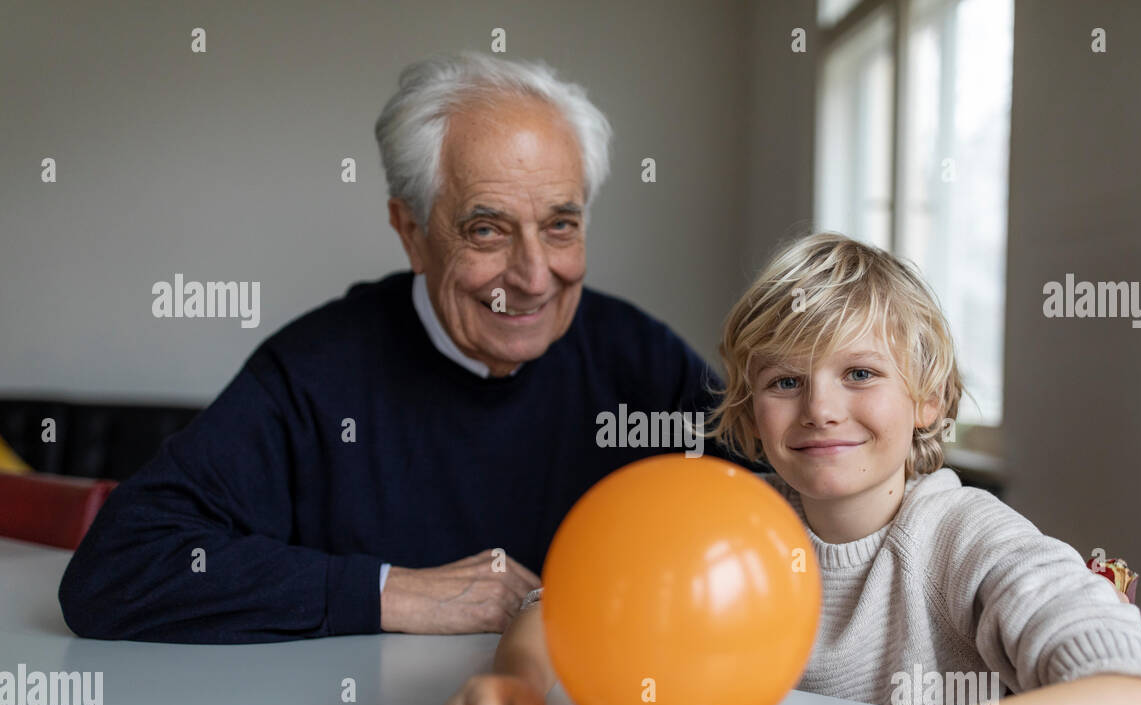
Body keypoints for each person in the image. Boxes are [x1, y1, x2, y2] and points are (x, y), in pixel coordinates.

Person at [445, 232, 1141, 705]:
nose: (821, 409)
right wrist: (518, 678)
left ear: (931, 399)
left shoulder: (961, 537)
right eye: (785, 382)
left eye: (861, 373)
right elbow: (561, 607)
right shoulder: (729, 519)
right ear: (749, 416)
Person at [58, 52, 727, 644]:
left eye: (560, 226)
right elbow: (117, 568)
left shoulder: (641, 361)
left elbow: (773, 514)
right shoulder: (314, 373)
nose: (531, 278)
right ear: (411, 232)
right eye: (487, 230)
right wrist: (391, 592)